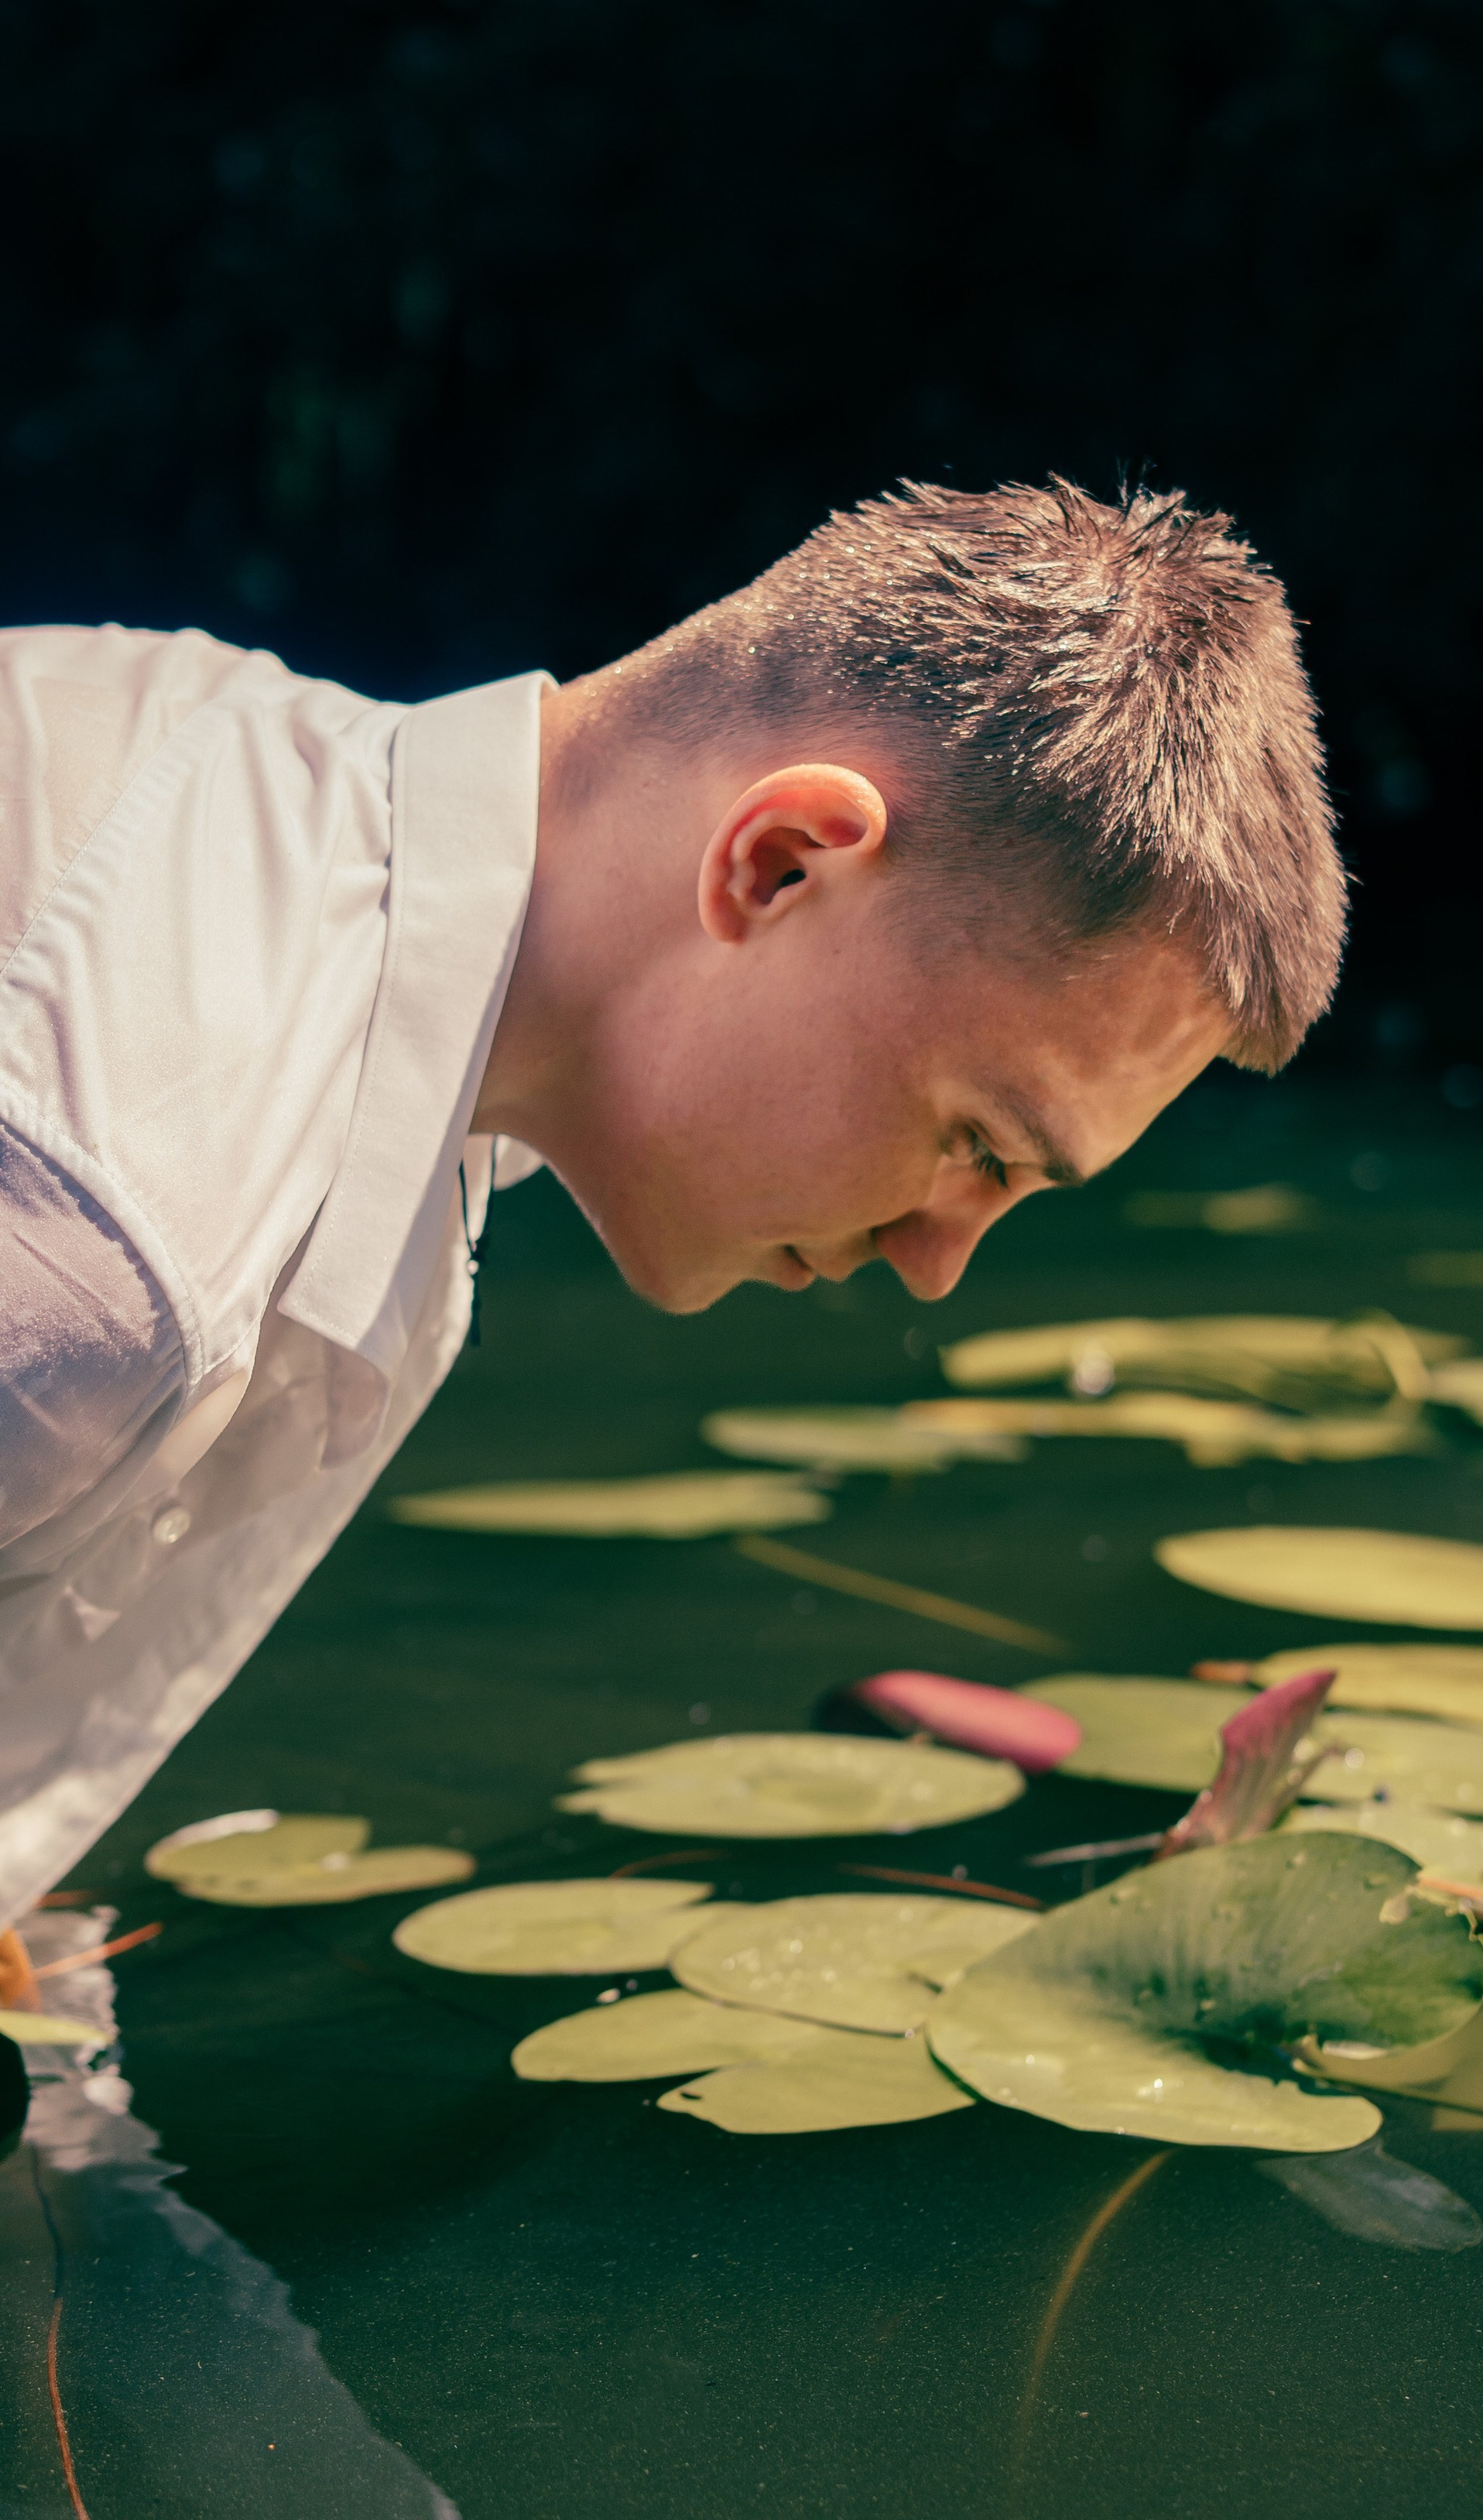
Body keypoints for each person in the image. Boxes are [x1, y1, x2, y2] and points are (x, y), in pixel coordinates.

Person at [0, 476, 1345, 1933]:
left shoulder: (225, 781)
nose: (941, 1260)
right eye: (979, 1143)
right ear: (777, 866)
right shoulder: (116, 1232)